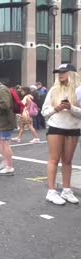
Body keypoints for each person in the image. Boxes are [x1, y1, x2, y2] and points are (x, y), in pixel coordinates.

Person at [42, 63, 81, 205]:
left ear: (72, 73)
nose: (60, 74)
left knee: (68, 161)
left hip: (73, 128)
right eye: (59, 72)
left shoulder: (79, 90)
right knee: (54, 159)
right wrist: (56, 108)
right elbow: (44, 111)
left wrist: (71, 108)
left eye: (63, 71)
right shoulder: (53, 89)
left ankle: (66, 190)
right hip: (56, 127)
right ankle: (51, 191)